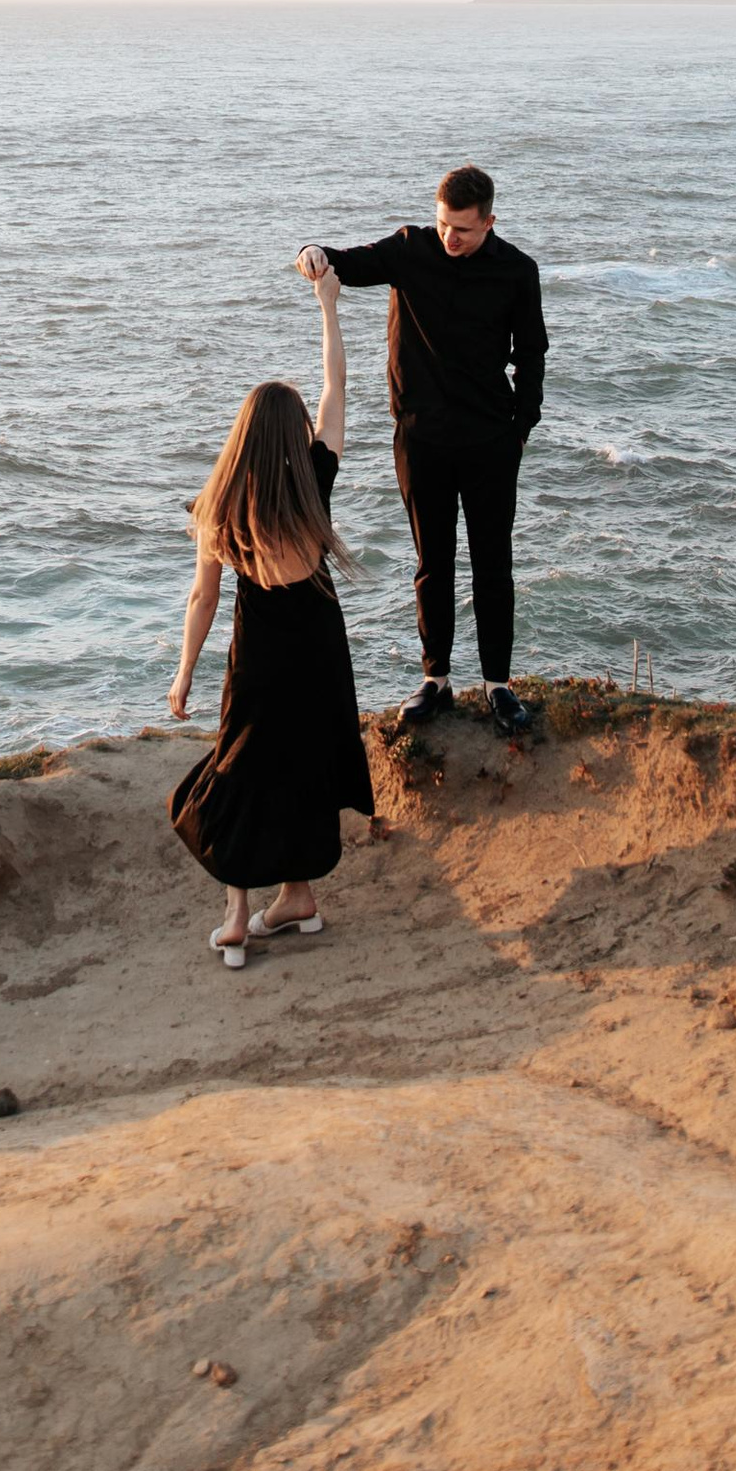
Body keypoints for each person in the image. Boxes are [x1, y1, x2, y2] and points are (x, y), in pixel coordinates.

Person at [167, 261, 376, 970]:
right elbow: (336, 388)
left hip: (258, 659)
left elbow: (204, 599)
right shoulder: (317, 482)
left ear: (241, 437)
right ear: (295, 438)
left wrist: (184, 674)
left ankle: (237, 915)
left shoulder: (218, 508)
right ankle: (296, 896)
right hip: (319, 648)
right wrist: (328, 306)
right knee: (301, 766)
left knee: (242, 774)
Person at [300, 162, 545, 735]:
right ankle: (435, 680)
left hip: (490, 441)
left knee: (493, 566)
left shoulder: (517, 271)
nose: (449, 237)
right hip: (420, 440)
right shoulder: (410, 249)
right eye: (442, 224)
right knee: (431, 564)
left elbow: (532, 354)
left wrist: (520, 429)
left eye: (462, 228)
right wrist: (314, 249)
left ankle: (498, 685)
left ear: (489, 221)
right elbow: (348, 260)